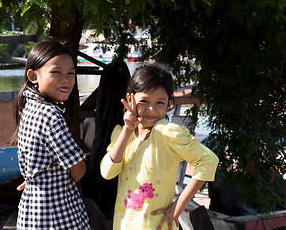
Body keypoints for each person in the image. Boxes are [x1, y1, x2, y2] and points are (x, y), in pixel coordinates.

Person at [100, 63, 219, 230]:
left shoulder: (167, 132)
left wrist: (178, 207)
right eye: (144, 101)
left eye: (159, 103)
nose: (151, 109)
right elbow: (107, 172)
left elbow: (209, 161)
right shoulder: (121, 133)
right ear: (130, 99)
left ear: (169, 103)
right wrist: (127, 130)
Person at [14, 40, 90, 229]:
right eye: (56, 72)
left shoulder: (30, 108)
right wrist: (54, 183)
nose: (66, 79)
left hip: (33, 207)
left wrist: (40, 181)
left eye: (71, 73)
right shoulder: (50, 114)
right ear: (33, 76)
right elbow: (78, 168)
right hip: (56, 210)